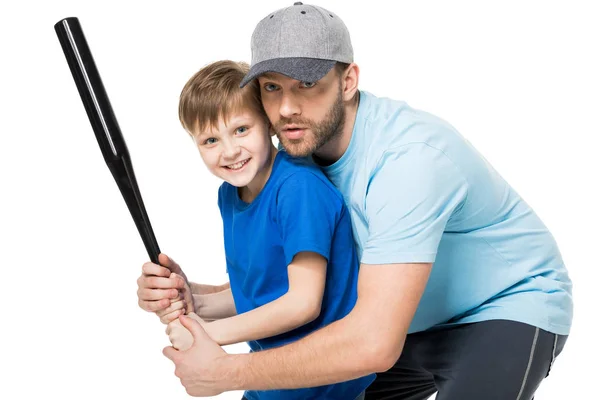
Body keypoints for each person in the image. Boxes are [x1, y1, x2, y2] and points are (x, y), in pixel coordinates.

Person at [138, 3, 573, 399]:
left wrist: (227, 371)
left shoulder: (408, 161)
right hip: (400, 318)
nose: (287, 107)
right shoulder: (295, 160)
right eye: (272, 87)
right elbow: (303, 280)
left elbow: (372, 344)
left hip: (504, 308)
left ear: (348, 81)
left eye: (307, 83)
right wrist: (196, 298)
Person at [141, 59, 374, 400]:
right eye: (209, 140)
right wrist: (191, 300)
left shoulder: (298, 188)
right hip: (272, 381)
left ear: (268, 124)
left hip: (321, 384)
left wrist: (209, 333)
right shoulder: (230, 195)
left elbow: (302, 303)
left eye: (241, 130)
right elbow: (260, 291)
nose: (230, 150)